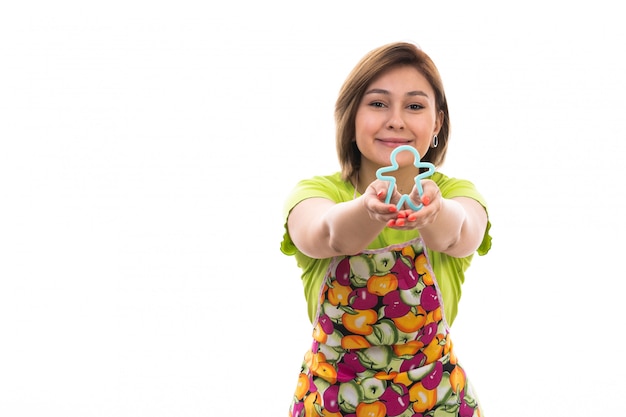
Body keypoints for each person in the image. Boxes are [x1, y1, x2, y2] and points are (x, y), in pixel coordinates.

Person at [280, 41, 492, 417]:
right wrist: (368, 210)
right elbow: (326, 234)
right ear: (351, 117)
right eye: (378, 103)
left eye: (414, 105)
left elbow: (460, 234)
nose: (396, 120)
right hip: (332, 404)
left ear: (437, 122)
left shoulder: (457, 194)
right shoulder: (317, 193)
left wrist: (435, 211)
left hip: (437, 402)